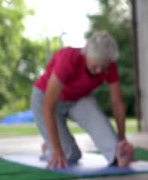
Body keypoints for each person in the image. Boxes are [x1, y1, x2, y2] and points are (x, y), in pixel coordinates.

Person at [31, 31, 134, 169]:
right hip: (45, 99)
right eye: (95, 66)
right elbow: (48, 107)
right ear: (86, 54)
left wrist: (122, 140)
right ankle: (49, 147)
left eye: (103, 67)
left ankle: (54, 141)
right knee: (68, 156)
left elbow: (117, 103)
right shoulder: (68, 59)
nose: (99, 71)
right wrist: (56, 149)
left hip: (79, 98)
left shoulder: (109, 65)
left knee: (115, 150)